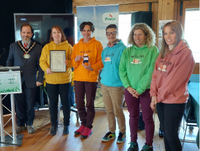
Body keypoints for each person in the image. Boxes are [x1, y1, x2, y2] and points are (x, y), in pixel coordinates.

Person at [150, 21, 195, 151]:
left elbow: (174, 81)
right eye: (165, 33)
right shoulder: (162, 54)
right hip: (160, 99)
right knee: (166, 134)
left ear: (178, 33)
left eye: (172, 32)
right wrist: (153, 95)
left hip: (174, 101)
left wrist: (158, 96)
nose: (168, 36)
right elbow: (155, 76)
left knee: (171, 135)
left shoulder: (186, 53)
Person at [119, 23, 159, 151]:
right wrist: (129, 87)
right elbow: (122, 70)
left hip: (147, 90)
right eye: (134, 34)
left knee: (147, 117)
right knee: (133, 116)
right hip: (130, 90)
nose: (137, 37)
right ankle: (133, 142)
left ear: (146, 35)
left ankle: (149, 144)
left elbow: (152, 71)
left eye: (140, 34)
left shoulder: (152, 50)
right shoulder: (127, 51)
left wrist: (140, 89)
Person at [6, 23, 44, 134]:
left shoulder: (37, 47)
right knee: (19, 103)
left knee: (30, 103)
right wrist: (10, 75)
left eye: (28, 32)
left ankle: (29, 124)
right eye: (23, 32)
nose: (25, 35)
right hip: (16, 79)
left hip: (31, 80)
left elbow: (41, 65)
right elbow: (9, 61)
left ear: (32, 34)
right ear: (20, 33)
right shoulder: (13, 46)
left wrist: (40, 79)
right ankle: (20, 124)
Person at [71, 21, 103, 139]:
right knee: (79, 103)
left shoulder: (97, 44)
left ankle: (89, 127)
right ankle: (83, 124)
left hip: (91, 78)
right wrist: (76, 59)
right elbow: (72, 63)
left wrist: (92, 67)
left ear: (92, 31)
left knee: (90, 103)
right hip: (78, 78)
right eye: (84, 30)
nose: (86, 33)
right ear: (80, 32)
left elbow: (101, 62)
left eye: (88, 30)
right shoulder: (76, 46)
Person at [40, 25, 72, 135]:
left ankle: (66, 124)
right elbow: (42, 61)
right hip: (51, 81)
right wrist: (46, 69)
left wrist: (69, 63)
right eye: (54, 32)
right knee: (52, 104)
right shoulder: (47, 47)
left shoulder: (68, 47)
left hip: (65, 80)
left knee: (66, 103)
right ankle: (54, 125)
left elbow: (73, 62)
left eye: (58, 32)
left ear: (61, 34)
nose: (56, 34)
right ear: (51, 35)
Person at [100, 24, 126, 143]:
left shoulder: (123, 49)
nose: (111, 35)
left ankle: (122, 132)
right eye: (108, 33)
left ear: (117, 34)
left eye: (113, 33)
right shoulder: (104, 51)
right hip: (104, 84)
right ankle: (112, 131)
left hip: (117, 85)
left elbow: (125, 68)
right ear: (106, 35)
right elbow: (104, 66)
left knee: (118, 110)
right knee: (108, 110)